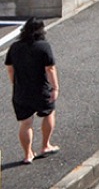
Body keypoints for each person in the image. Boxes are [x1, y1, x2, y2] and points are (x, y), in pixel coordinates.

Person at [5, 18, 59, 164]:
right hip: (41, 90)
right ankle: (45, 145)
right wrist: (55, 88)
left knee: (26, 123)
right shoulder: (43, 46)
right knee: (48, 113)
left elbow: (10, 68)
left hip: (21, 92)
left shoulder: (15, 47)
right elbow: (50, 68)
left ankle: (28, 154)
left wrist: (15, 83)